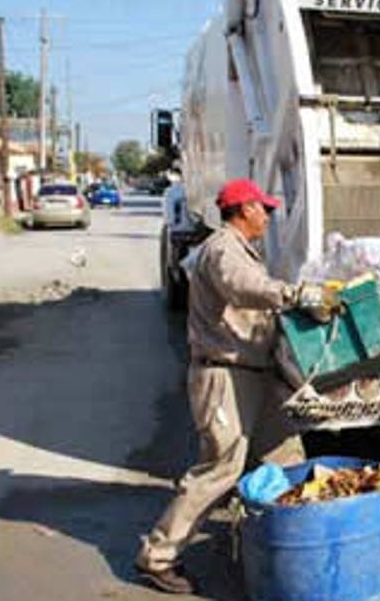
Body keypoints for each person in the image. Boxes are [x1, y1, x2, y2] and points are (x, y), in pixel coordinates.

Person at [135, 179, 337, 594]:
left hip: (255, 376)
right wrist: (298, 294)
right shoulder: (223, 249)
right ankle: (158, 557)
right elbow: (243, 289)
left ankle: (283, 546)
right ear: (245, 209)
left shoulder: (243, 251)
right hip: (224, 376)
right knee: (220, 468)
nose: (269, 217)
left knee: (287, 459)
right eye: (265, 209)